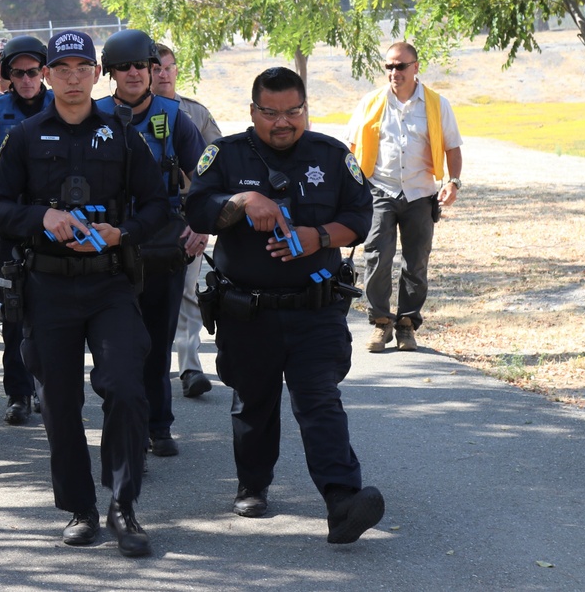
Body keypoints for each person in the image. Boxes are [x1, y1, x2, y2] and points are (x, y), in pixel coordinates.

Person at [0, 29, 168, 557]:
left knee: (127, 389)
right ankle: (81, 509)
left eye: (80, 67)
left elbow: (158, 205)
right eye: (59, 68)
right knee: (60, 403)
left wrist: (122, 232)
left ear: (94, 73)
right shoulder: (22, 137)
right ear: (45, 75)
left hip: (109, 283)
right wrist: (42, 215)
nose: (70, 77)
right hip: (47, 286)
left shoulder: (123, 134)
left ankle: (123, 507)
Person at [184, 66, 385, 544]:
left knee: (320, 401)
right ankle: (253, 484)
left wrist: (315, 238)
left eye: (293, 111)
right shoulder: (225, 155)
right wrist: (243, 200)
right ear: (253, 111)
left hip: (314, 309)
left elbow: (359, 217)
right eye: (271, 113)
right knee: (254, 403)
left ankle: (342, 501)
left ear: (304, 109)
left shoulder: (333, 156)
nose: (283, 122)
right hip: (247, 310)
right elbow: (196, 207)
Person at [97, 30, 205, 458]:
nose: (135, 73)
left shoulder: (174, 117)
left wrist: (201, 225)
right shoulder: (93, 114)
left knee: (157, 342)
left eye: (141, 65)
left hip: (162, 244)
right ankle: (125, 423)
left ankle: (159, 425)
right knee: (118, 345)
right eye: (123, 67)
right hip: (106, 246)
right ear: (110, 73)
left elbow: (206, 178)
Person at [347, 41, 463, 353]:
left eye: (400, 66)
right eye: (389, 66)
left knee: (416, 264)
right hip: (379, 191)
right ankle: (381, 323)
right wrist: (351, 188)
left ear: (415, 67)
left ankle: (407, 325)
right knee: (377, 258)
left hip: (421, 193)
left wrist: (452, 181)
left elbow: (453, 147)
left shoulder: (437, 105)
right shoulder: (370, 103)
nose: (394, 72)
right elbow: (352, 148)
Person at [0, 35, 54, 425]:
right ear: (7, 76)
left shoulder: (62, 106)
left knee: (48, 315)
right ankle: (18, 394)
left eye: (32, 72)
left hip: (52, 225)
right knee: (13, 313)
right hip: (10, 224)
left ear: (44, 72)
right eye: (17, 73)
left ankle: (46, 388)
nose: (25, 80)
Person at [151, 43, 220, 398]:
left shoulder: (195, 113)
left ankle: (190, 367)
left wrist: (206, 219)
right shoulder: (126, 114)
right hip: (143, 219)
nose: (163, 74)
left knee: (188, 291)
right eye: (156, 68)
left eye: (169, 68)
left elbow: (219, 166)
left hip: (186, 215)